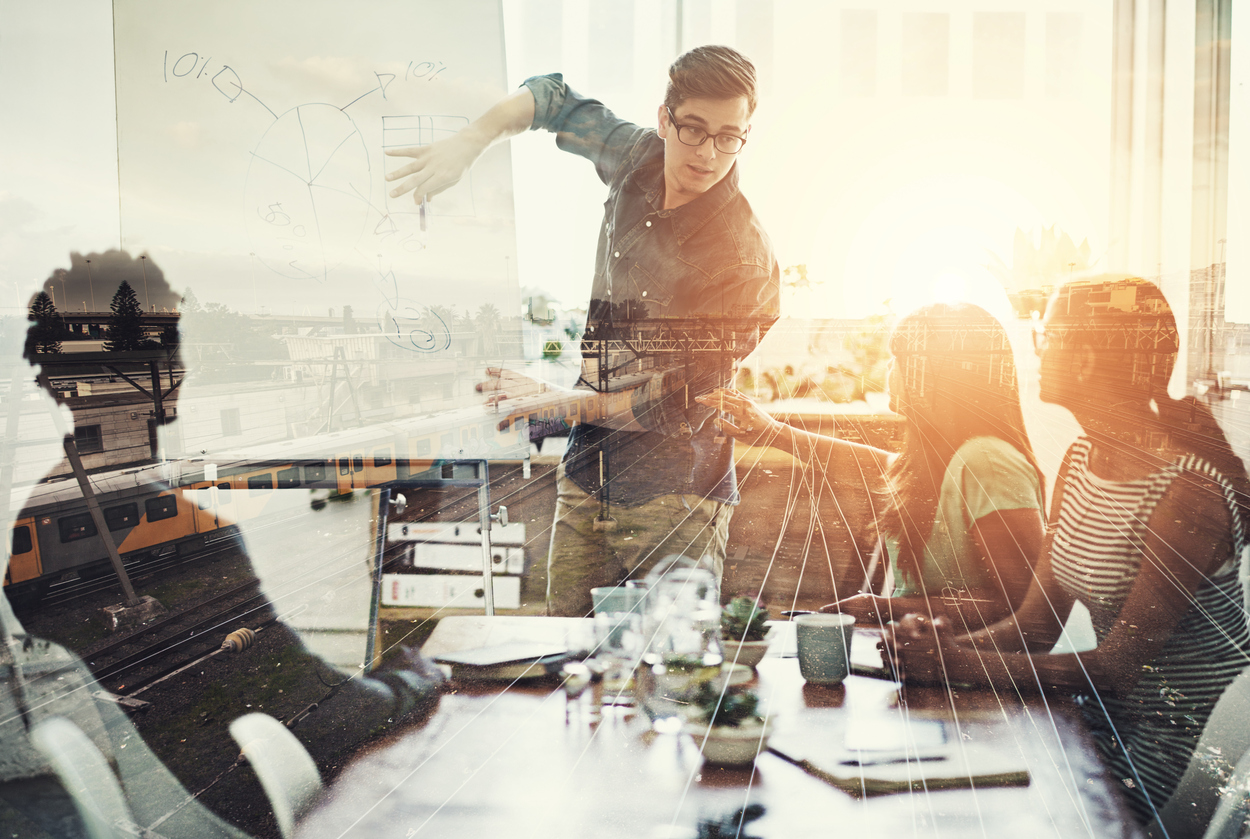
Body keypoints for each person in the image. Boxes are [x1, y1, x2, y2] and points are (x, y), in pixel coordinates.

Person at [7, 253, 445, 836]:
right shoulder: (146, 523)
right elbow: (313, 712)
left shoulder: (54, 516)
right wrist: (422, 680)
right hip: (254, 800)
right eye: (153, 353)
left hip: (190, 788)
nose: (175, 369)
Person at [387, 46, 780, 616]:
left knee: (671, 677)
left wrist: (560, 403)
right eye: (693, 129)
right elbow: (551, 97)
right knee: (563, 669)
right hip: (585, 478)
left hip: (676, 503)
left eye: (728, 136)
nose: (707, 153)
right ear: (665, 118)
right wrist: (469, 141)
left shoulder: (745, 260)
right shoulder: (639, 156)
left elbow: (675, 405)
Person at [885, 277, 1250, 828]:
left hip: (1174, 745)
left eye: (1047, 336)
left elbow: (1119, 669)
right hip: (1098, 719)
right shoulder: (1081, 459)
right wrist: (936, 651)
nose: (1038, 350)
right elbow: (1033, 626)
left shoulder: (1186, 492)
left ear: (1083, 359)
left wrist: (958, 664)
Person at [700, 302, 1046, 630]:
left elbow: (1020, 606)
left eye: (900, 359)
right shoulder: (942, 459)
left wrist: (883, 609)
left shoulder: (989, 461)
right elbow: (881, 466)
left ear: (937, 373)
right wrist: (772, 432)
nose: (888, 370)